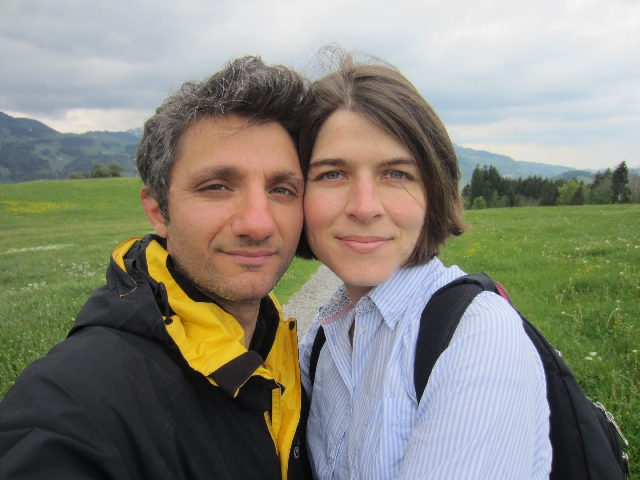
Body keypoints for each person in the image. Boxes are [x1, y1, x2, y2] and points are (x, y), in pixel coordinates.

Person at [0, 56, 311, 479]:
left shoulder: (288, 350)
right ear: (158, 210)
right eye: (216, 187)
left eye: (281, 188)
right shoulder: (75, 402)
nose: (258, 223)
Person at [297, 52, 552, 479]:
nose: (364, 207)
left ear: (434, 189)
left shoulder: (475, 338)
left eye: (396, 174)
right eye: (331, 174)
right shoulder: (322, 335)